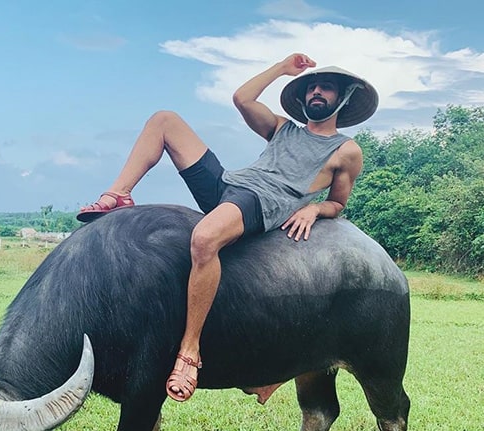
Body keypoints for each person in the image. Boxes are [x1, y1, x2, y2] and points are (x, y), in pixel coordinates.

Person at [76, 53, 379, 402]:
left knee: (204, 238)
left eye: (325, 88)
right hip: (229, 187)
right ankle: (118, 193)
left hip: (262, 203)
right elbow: (242, 98)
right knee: (165, 120)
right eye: (312, 86)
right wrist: (282, 68)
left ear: (342, 98)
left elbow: (339, 202)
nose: (316, 92)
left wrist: (315, 209)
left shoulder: (346, 150)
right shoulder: (282, 128)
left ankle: (189, 351)